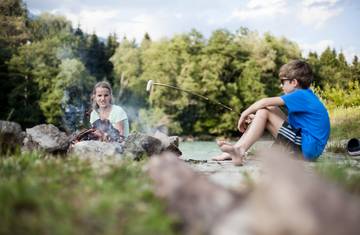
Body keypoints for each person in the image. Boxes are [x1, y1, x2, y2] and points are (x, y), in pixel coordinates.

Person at [213, 59, 330, 165]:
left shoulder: (300, 95)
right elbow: (288, 125)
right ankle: (236, 149)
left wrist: (244, 114)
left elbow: (264, 102)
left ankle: (239, 150)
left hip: (306, 149)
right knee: (270, 110)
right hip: (307, 147)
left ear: (294, 82)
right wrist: (259, 119)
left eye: (283, 82)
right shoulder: (306, 96)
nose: (281, 85)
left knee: (265, 110)